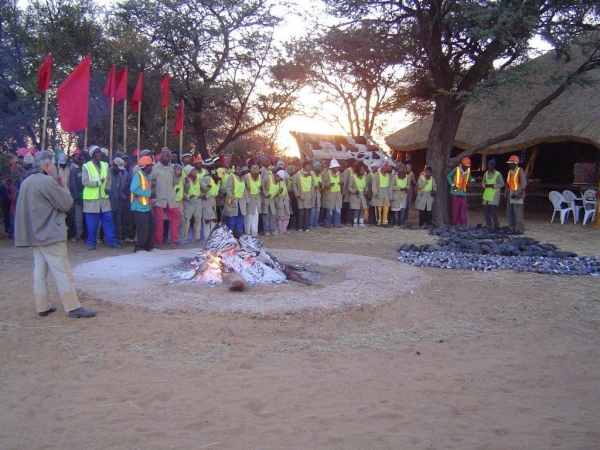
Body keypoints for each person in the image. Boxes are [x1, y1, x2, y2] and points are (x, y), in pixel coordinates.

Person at [14, 151, 96, 318]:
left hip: (34, 234)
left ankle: (42, 306)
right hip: (49, 233)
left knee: (40, 269)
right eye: (52, 164)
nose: (53, 167)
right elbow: (66, 203)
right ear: (46, 165)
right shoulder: (46, 181)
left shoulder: (27, 182)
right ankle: (73, 307)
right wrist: (63, 185)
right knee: (62, 270)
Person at [82, 145, 119, 250]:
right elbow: (84, 181)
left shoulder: (105, 165)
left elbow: (109, 178)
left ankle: (112, 242)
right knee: (92, 225)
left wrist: (108, 187)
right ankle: (91, 243)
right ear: (93, 155)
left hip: (103, 199)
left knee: (108, 222)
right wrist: (97, 183)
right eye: (98, 152)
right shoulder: (86, 166)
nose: (100, 154)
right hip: (91, 200)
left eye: (100, 152)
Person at [151, 149, 183, 246]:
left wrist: (177, 175)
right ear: (161, 157)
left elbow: (174, 183)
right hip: (159, 198)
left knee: (177, 215)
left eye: (170, 156)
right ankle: (158, 241)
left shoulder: (171, 168)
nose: (169, 158)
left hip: (170, 199)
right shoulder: (154, 168)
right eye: (167, 156)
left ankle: (174, 239)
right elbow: (150, 182)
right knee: (159, 221)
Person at [130, 156, 156, 252]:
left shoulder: (147, 176)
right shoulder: (138, 175)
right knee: (143, 228)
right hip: (138, 207)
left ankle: (150, 247)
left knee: (151, 226)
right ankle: (139, 248)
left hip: (146, 206)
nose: (152, 167)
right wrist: (149, 193)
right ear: (146, 166)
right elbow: (133, 189)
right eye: (151, 166)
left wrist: (151, 193)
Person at [447, 157, 474, 225]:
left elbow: (469, 178)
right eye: (466, 166)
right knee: (455, 209)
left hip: (463, 192)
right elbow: (449, 176)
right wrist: (452, 184)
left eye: (468, 166)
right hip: (455, 192)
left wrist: (472, 180)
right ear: (462, 164)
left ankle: (463, 223)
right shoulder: (457, 169)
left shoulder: (468, 170)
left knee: (463, 209)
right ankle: (454, 223)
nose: (467, 167)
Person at [223, 164, 247, 236]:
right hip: (233, 201)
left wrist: (246, 200)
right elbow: (228, 189)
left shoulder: (242, 178)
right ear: (234, 170)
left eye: (240, 169)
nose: (239, 171)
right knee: (231, 220)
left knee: (240, 219)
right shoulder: (231, 176)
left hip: (241, 201)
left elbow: (244, 190)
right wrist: (233, 199)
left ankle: (239, 236)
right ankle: (230, 236)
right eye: (237, 169)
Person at [505, 154, 527, 232]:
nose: (509, 164)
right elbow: (508, 184)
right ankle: (512, 227)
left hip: (517, 194)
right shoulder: (510, 172)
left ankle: (520, 228)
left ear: (514, 163)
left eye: (510, 163)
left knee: (517, 212)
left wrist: (516, 193)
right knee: (510, 212)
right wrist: (506, 194)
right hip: (510, 193)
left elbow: (523, 184)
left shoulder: (520, 171)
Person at [481, 159, 505, 229]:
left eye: (491, 165)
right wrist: (485, 185)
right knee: (485, 209)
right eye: (488, 165)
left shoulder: (498, 174)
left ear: (493, 166)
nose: (489, 166)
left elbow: (502, 184)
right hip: (487, 194)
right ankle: (488, 224)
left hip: (494, 194)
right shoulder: (486, 174)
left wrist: (493, 186)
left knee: (492, 209)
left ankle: (496, 224)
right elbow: (483, 182)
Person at [109, 157, 127, 245]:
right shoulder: (107, 174)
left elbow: (120, 189)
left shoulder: (120, 175)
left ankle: (119, 239)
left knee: (118, 222)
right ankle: (110, 239)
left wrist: (122, 196)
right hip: (108, 203)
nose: (119, 170)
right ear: (114, 165)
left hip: (117, 203)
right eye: (118, 168)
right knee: (109, 222)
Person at [182, 165, 202, 242]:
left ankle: (197, 237)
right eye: (193, 170)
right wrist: (187, 196)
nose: (195, 172)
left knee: (198, 219)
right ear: (189, 173)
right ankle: (185, 237)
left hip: (197, 200)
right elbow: (182, 191)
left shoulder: (198, 180)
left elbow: (202, 188)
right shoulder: (186, 180)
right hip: (189, 201)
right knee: (187, 220)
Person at [292, 160, 314, 232]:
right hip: (300, 195)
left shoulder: (311, 175)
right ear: (305, 166)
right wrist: (298, 194)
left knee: (307, 212)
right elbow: (294, 185)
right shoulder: (297, 174)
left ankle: (306, 227)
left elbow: (313, 185)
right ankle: (299, 227)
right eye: (309, 166)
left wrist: (311, 194)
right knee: (301, 212)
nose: (310, 167)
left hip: (308, 195)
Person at [68, 149, 84, 242]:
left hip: (88, 197)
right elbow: (73, 184)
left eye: (83, 159)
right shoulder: (75, 170)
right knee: (78, 218)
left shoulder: (87, 169)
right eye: (80, 159)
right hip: (78, 197)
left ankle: (85, 235)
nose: (82, 161)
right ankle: (78, 235)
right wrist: (76, 197)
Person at [322, 159, 343, 228]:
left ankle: (337, 224)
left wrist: (341, 183)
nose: (337, 168)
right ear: (332, 168)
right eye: (336, 167)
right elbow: (324, 182)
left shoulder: (339, 174)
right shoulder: (327, 173)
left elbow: (342, 181)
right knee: (329, 210)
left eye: (337, 167)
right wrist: (329, 184)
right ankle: (327, 224)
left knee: (338, 210)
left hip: (338, 194)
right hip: (330, 194)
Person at [260, 161, 279, 236]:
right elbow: (261, 186)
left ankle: (273, 230)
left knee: (272, 215)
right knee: (265, 215)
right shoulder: (267, 177)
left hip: (272, 200)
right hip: (265, 200)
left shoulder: (278, 181)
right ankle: (266, 230)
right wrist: (266, 194)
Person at [371, 161, 392, 226]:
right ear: (382, 167)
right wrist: (375, 192)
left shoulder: (388, 175)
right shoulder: (377, 174)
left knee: (386, 207)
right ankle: (378, 221)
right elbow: (374, 184)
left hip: (386, 192)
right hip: (379, 191)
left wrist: (390, 196)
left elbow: (390, 186)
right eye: (386, 166)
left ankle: (385, 221)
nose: (387, 167)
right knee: (379, 207)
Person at [347, 162, 368, 226]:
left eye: (364, 169)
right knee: (356, 209)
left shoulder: (365, 177)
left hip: (362, 195)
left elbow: (366, 185)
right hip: (355, 195)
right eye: (362, 169)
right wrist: (354, 191)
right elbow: (349, 187)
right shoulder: (353, 177)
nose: (363, 171)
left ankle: (361, 222)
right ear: (358, 170)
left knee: (362, 209)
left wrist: (366, 190)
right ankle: (355, 222)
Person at [199, 170, 219, 238]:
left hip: (213, 200)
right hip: (206, 199)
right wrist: (202, 195)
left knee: (213, 219)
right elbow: (201, 186)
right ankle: (206, 236)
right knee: (206, 219)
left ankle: (212, 236)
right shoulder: (207, 178)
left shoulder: (218, 182)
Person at [244, 164, 262, 236]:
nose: (256, 175)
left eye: (257, 174)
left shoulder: (260, 177)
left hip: (257, 198)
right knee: (249, 216)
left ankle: (254, 232)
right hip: (249, 197)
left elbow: (261, 187)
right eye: (254, 174)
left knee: (256, 215)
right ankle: (247, 233)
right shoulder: (246, 177)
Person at [391, 163, 409, 227]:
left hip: (403, 196)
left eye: (403, 168)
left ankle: (401, 224)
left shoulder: (407, 176)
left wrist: (406, 188)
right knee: (396, 210)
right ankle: (395, 224)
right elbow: (392, 186)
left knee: (402, 210)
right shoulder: (394, 176)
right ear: (398, 169)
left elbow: (408, 185)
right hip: (396, 195)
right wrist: (400, 188)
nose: (402, 169)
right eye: (401, 168)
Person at [274, 169, 291, 233]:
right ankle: (279, 229)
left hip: (285, 199)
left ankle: (284, 229)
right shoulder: (276, 182)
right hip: (279, 199)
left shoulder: (284, 181)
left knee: (286, 215)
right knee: (279, 215)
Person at [309, 161, 324, 229]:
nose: (322, 169)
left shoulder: (320, 175)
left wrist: (321, 186)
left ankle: (315, 224)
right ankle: (310, 224)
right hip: (312, 195)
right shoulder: (311, 174)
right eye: (320, 167)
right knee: (312, 210)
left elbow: (322, 187)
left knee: (317, 210)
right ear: (316, 168)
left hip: (318, 195)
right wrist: (314, 187)